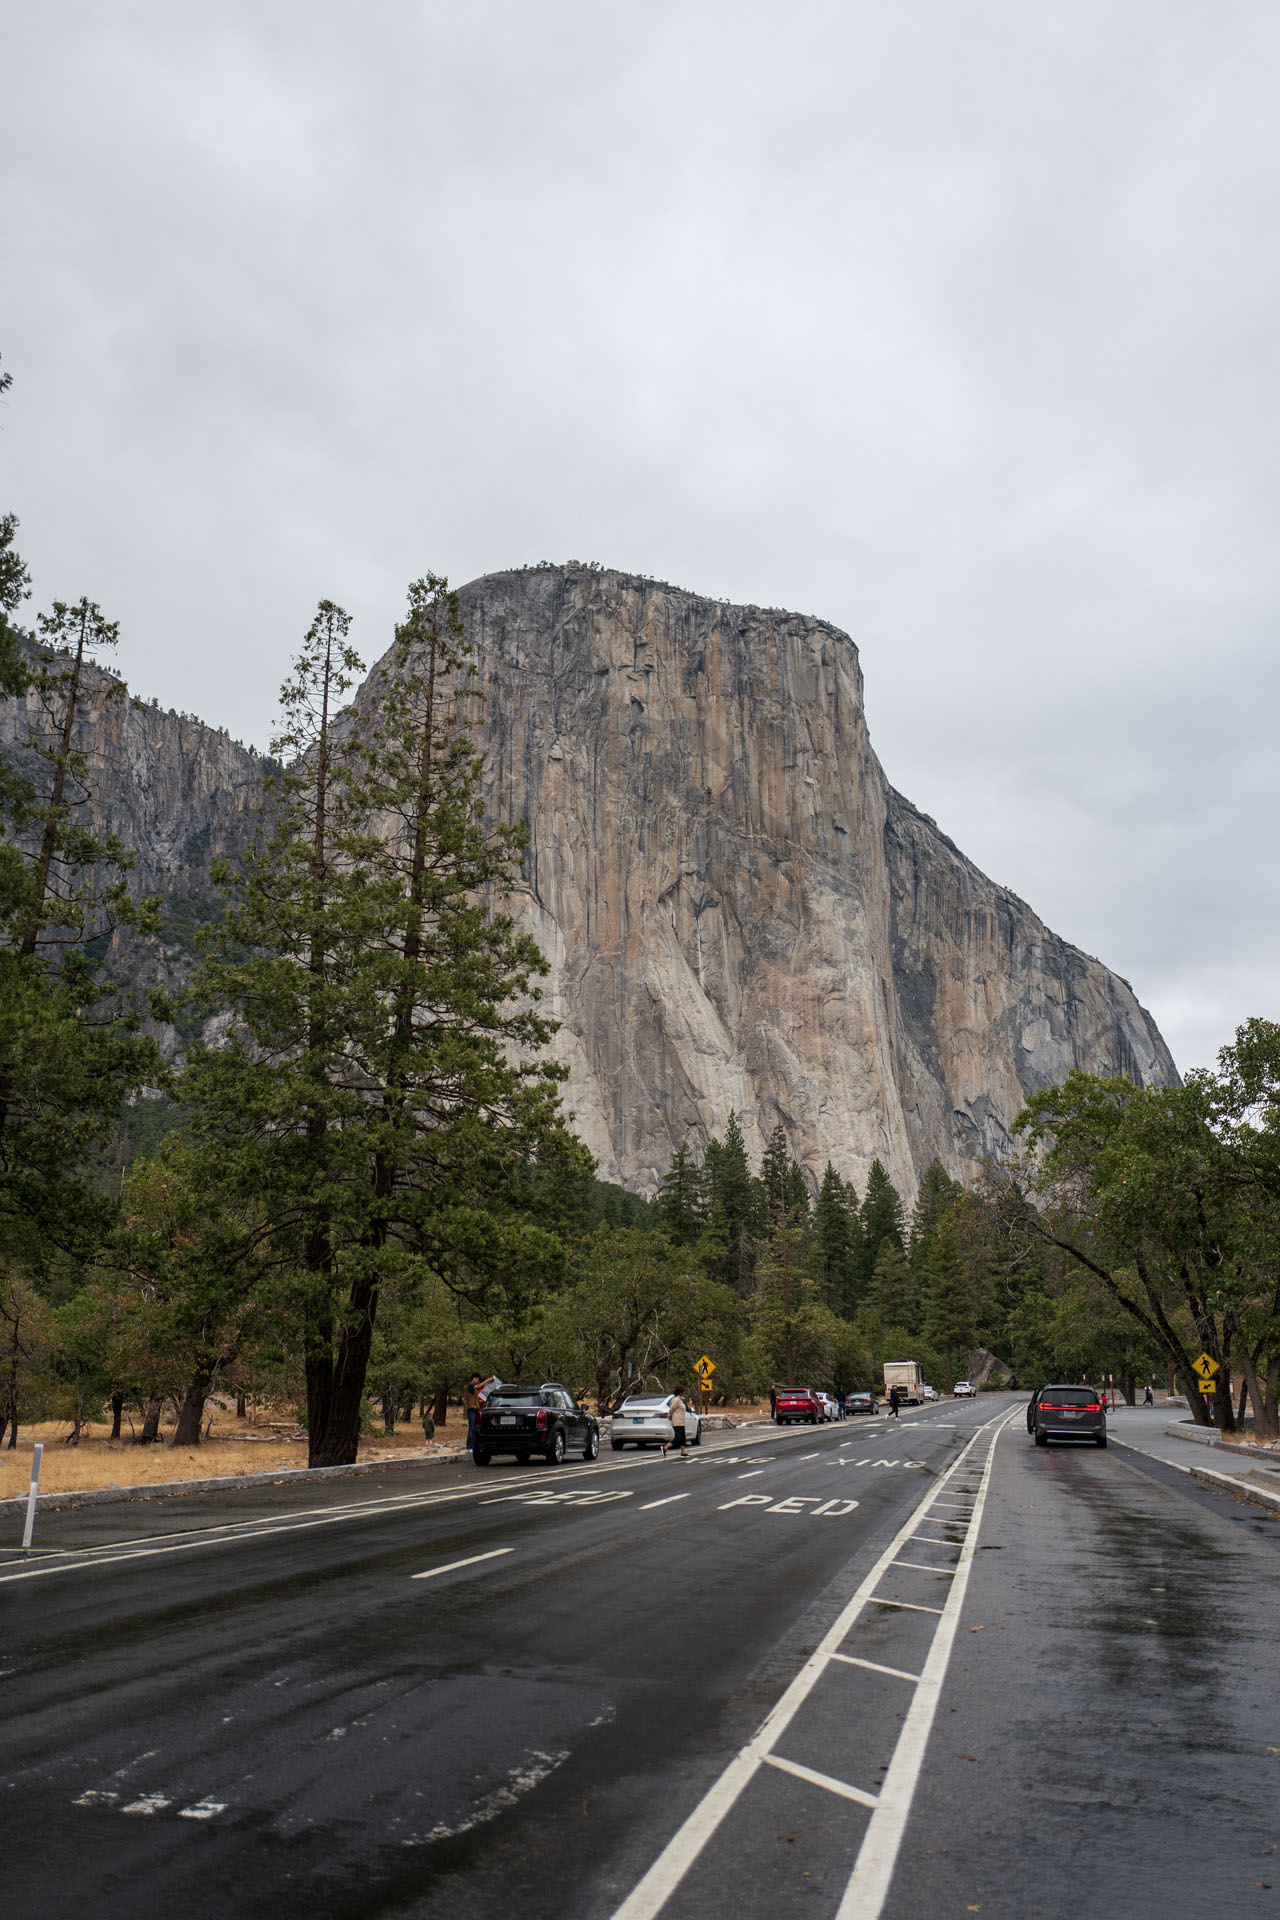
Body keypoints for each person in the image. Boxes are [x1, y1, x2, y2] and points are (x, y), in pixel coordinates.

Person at [665, 1387, 689, 1457]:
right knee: (678, 1438)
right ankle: (665, 1448)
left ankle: (683, 1452)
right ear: (679, 1392)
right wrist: (669, 1415)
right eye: (682, 1392)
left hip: (681, 1421)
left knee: (683, 1438)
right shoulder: (676, 1400)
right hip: (677, 1421)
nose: (683, 1393)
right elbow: (672, 1409)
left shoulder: (680, 1400)